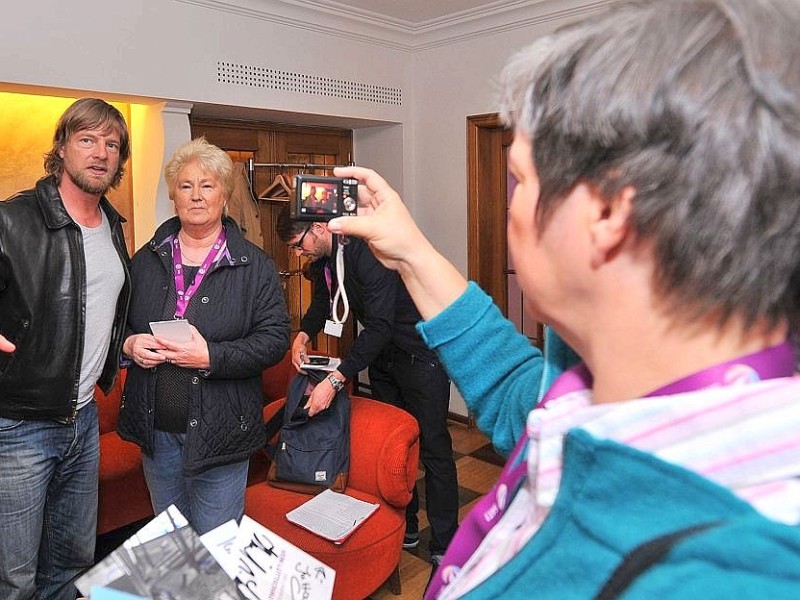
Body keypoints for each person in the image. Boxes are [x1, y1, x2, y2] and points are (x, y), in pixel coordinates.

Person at [328, 0, 800, 597]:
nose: (511, 205)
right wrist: (414, 253)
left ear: (606, 214)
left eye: (520, 180)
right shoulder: (619, 388)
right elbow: (523, 394)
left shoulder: (717, 574)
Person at [117, 138, 290, 535]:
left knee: (217, 545)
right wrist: (129, 344)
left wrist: (212, 356)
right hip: (156, 432)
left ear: (224, 194)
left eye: (207, 185)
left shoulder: (254, 265)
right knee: (173, 545)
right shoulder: (145, 260)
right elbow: (116, 326)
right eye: (186, 186)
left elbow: (275, 339)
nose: (196, 196)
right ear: (173, 196)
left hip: (222, 434)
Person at [0, 98, 132, 599]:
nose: (101, 152)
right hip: (20, 426)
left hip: (83, 421)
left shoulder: (113, 228)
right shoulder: (13, 219)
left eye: (112, 143)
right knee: (15, 578)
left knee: (74, 563)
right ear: (62, 147)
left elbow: (97, 310)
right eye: (87, 139)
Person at [276, 207, 460, 566]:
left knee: (434, 449)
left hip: (420, 356)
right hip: (382, 358)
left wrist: (336, 378)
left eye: (299, 245)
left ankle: (445, 544)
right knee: (396, 446)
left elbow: (379, 326)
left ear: (318, 228)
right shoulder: (328, 259)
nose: (298, 254)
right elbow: (322, 303)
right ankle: (406, 528)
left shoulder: (367, 251)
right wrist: (301, 335)